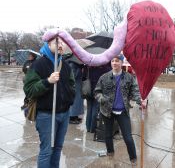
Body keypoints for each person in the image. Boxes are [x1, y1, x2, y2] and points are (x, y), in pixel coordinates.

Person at [23, 36, 75, 168]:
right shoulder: (38, 64)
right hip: (47, 115)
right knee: (47, 150)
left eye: (62, 42)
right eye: (56, 42)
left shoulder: (66, 66)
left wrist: (70, 99)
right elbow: (29, 90)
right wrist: (47, 81)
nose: (60, 45)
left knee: (57, 148)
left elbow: (71, 84)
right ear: (48, 45)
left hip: (64, 114)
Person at [94, 53, 141, 166]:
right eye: (112, 61)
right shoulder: (104, 77)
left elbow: (135, 91)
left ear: (121, 62)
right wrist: (102, 99)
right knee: (108, 135)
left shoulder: (129, 77)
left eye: (117, 61)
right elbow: (97, 92)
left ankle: (133, 158)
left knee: (128, 137)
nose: (114, 63)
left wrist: (141, 101)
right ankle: (110, 152)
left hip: (122, 111)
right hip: (107, 111)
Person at [84, 63, 111, 133]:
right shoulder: (104, 67)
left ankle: (88, 127)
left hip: (88, 90)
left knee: (89, 109)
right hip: (98, 90)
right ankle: (92, 128)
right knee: (95, 109)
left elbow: (83, 76)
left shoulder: (88, 66)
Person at [21, 52, 37, 116]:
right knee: (27, 92)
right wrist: (26, 69)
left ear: (34, 56)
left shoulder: (36, 62)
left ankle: (31, 106)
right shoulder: (26, 62)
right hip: (27, 79)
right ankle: (26, 105)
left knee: (32, 93)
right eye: (29, 56)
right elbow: (23, 69)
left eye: (31, 56)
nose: (29, 57)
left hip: (33, 80)